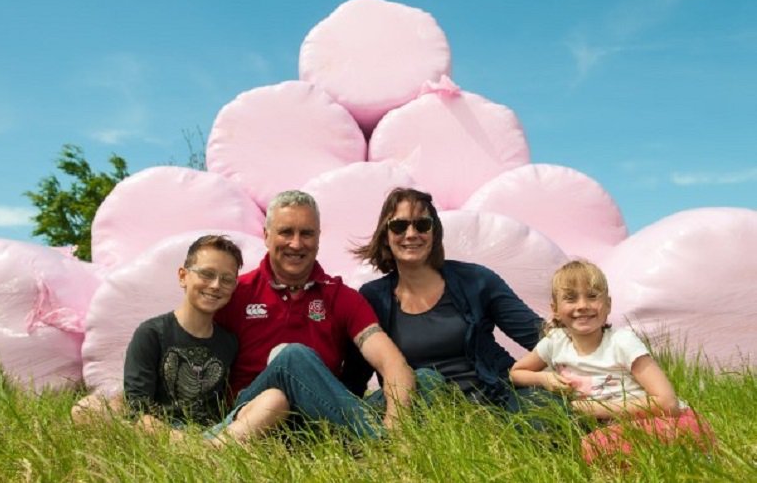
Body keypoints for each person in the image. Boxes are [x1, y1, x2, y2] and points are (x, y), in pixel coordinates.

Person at [210, 190, 415, 445]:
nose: (296, 244)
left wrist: (395, 426)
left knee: (427, 381)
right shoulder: (235, 292)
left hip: (320, 416)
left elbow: (392, 363)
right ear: (265, 236)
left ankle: (363, 442)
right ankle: (379, 448)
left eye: (306, 233)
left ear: (318, 238)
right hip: (258, 414)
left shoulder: (341, 296)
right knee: (293, 357)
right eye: (286, 232)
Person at [72, 235, 285, 436]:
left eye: (227, 279)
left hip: (212, 433)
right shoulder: (152, 333)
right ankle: (197, 451)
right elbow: (138, 408)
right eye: (207, 274)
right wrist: (172, 436)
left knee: (274, 399)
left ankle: (211, 448)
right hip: (158, 430)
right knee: (85, 409)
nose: (215, 285)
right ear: (183, 276)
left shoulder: (229, 342)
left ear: (234, 287)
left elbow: (229, 401)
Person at [350, 187, 543, 408]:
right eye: (399, 226)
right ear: (385, 236)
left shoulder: (476, 280)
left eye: (422, 224)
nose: (411, 234)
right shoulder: (373, 297)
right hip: (424, 412)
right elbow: (356, 373)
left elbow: (538, 335)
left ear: (435, 232)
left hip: (494, 400)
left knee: (552, 413)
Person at [509, 259, 715, 463]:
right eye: (571, 298)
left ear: (608, 304)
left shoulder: (621, 342)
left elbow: (667, 402)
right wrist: (545, 379)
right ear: (555, 309)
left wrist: (594, 409)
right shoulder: (555, 342)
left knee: (595, 448)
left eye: (592, 296)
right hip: (611, 430)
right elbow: (516, 373)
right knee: (588, 447)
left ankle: (689, 456)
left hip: (661, 421)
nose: (582, 306)